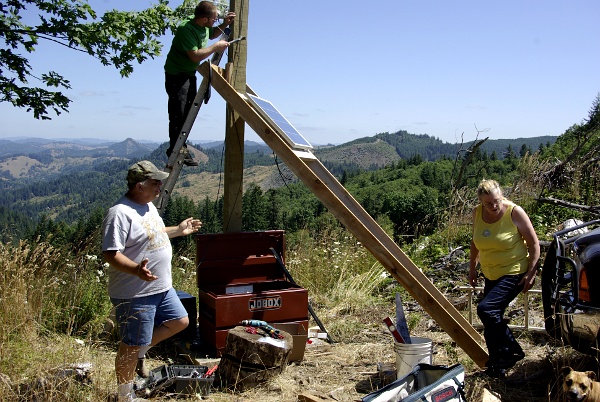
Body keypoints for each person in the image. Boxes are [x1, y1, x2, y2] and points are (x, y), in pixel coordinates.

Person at [102, 160, 202, 402]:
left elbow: (153, 232)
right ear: (139, 185)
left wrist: (178, 230)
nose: (160, 187)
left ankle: (141, 351)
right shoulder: (119, 213)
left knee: (180, 321)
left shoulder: (148, 206)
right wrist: (136, 270)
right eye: (155, 183)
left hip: (161, 287)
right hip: (135, 292)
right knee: (130, 345)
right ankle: (125, 396)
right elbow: (110, 253)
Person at [468, 179, 540, 378]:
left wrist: (531, 273)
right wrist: (472, 268)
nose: (493, 206)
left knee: (486, 309)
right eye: (488, 203)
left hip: (514, 271)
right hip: (491, 272)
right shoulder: (477, 213)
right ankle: (496, 367)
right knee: (492, 319)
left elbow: (534, 244)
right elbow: (476, 242)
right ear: (481, 202)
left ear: (502, 196)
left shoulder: (514, 212)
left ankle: (512, 351)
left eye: (497, 201)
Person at [164, 1, 236, 166]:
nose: (215, 21)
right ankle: (175, 150)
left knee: (188, 110)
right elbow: (195, 55)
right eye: (214, 19)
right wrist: (216, 47)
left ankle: (180, 147)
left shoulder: (202, 25)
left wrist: (225, 24)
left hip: (189, 72)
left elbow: (210, 34)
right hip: (176, 75)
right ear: (204, 18)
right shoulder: (186, 29)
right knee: (178, 113)